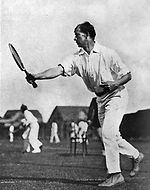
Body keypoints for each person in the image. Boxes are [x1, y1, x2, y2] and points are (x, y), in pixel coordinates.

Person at [27, 21, 144, 187]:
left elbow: (127, 75)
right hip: (100, 100)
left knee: (108, 134)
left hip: (117, 95)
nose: (74, 38)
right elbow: (58, 70)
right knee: (112, 136)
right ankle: (136, 155)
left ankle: (115, 174)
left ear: (88, 36)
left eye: (78, 35)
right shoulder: (76, 58)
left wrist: (114, 84)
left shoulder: (108, 53)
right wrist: (37, 76)